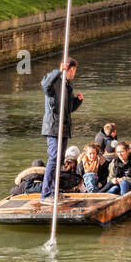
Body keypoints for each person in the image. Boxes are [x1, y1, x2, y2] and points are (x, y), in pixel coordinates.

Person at [39, 59, 84, 203]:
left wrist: (78, 101)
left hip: (64, 128)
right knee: (53, 158)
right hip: (53, 127)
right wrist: (59, 71)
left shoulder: (67, 85)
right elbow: (45, 84)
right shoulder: (56, 81)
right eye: (73, 71)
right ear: (69, 69)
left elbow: (68, 109)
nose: (74, 74)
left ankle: (54, 191)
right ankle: (46, 194)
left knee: (58, 160)